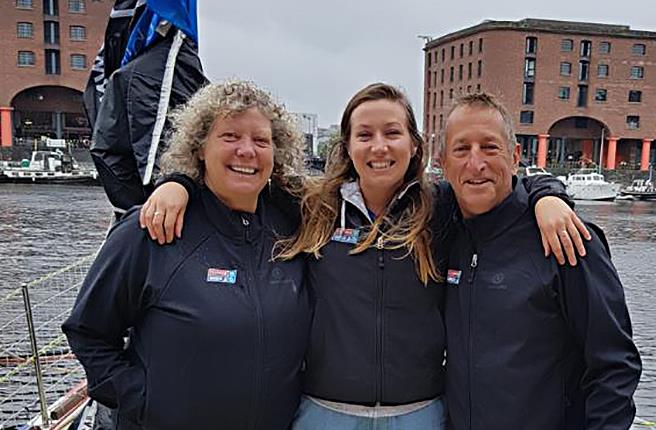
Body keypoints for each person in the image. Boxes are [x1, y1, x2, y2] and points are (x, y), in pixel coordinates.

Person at [141, 83, 590, 429]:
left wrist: (548, 196)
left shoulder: (443, 209)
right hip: (324, 413)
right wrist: (176, 181)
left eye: (392, 133)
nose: (379, 146)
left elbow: (499, 184)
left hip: (420, 414)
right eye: (365, 135)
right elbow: (239, 175)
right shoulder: (310, 206)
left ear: (414, 145)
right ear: (348, 146)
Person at [62, 80, 311, 430]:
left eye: (261, 140)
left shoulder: (292, 229)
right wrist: (145, 400)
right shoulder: (152, 229)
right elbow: (88, 333)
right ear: (199, 148)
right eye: (229, 137)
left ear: (277, 152)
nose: (246, 150)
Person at [439, 93, 642, 430]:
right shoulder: (445, 234)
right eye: (462, 150)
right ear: (443, 162)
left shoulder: (566, 239)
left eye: (490, 148)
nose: (476, 164)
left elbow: (615, 365)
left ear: (515, 156)